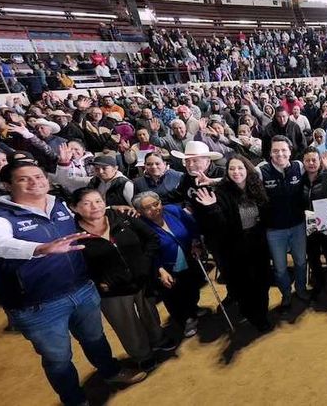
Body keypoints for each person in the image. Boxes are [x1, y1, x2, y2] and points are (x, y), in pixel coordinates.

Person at [0, 162, 145, 405]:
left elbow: (88, 208)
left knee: (95, 338)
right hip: (38, 304)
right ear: (7, 185)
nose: (35, 182)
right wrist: (40, 249)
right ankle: (75, 400)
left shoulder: (59, 206)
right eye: (24, 179)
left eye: (38, 176)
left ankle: (111, 372)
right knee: (58, 358)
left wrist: (113, 207)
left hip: (82, 290)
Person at [71, 188, 174, 371]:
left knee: (150, 312)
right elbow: (76, 265)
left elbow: (151, 238)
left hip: (141, 279)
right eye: (86, 203)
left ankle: (158, 339)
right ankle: (142, 354)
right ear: (74, 208)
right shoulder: (73, 234)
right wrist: (99, 282)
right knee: (126, 324)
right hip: (112, 290)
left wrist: (146, 262)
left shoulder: (121, 216)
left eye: (98, 201)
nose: (95, 207)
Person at [195, 155, 274, 332]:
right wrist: (212, 208)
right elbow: (221, 226)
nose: (236, 172)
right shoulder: (221, 193)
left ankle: (261, 314)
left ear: (247, 169)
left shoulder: (256, 187)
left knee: (262, 282)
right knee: (243, 285)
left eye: (240, 168)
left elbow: (266, 213)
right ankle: (250, 312)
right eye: (232, 169)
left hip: (258, 244)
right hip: (235, 248)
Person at [133, 191, 204, 338]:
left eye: (156, 203)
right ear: (139, 211)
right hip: (165, 267)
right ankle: (185, 320)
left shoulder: (173, 210)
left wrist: (196, 243)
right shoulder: (139, 226)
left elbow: (192, 227)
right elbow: (147, 252)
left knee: (192, 286)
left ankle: (193, 308)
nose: (155, 209)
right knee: (174, 296)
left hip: (188, 257)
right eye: (148, 208)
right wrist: (160, 270)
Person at [260, 135, 310, 307]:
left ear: (290, 152)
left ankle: (301, 289)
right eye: (275, 151)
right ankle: (286, 294)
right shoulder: (262, 171)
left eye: (283, 150)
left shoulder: (299, 167)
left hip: (298, 225)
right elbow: (239, 178)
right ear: (270, 153)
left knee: (301, 262)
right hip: (275, 230)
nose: (279, 154)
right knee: (280, 268)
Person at [303, 149, 327, 293]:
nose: (311, 163)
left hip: (325, 222)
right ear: (303, 162)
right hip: (308, 223)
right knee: (312, 256)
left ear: (320, 162)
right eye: (308, 160)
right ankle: (318, 282)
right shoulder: (300, 179)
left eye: (314, 160)